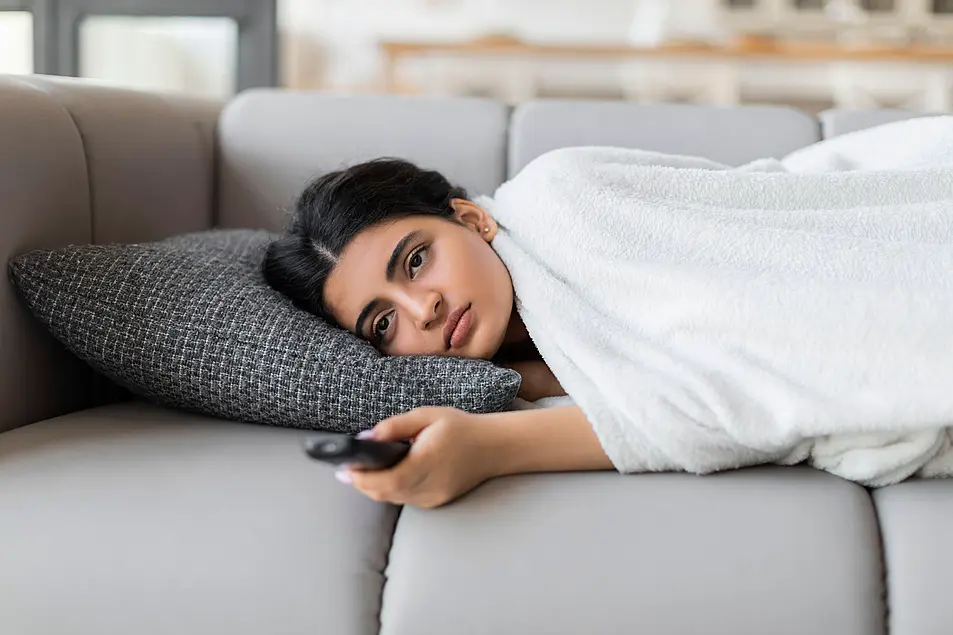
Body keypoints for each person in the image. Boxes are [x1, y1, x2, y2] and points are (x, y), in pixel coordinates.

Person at [263, 158, 613, 508]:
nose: (423, 311)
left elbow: (667, 404)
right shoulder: (502, 386)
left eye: (416, 261)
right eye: (383, 323)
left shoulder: (563, 194)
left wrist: (489, 447)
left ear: (471, 220)